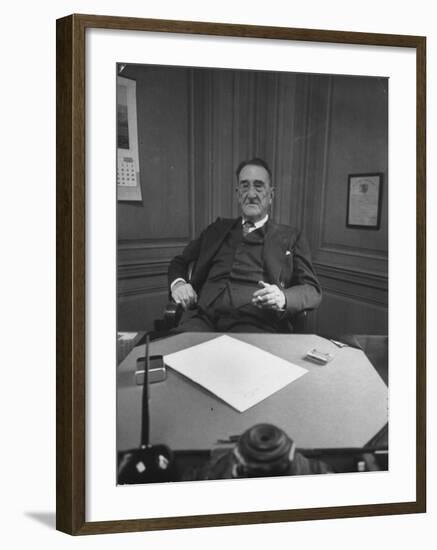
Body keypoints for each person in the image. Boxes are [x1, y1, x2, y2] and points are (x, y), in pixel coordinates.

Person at [168, 158, 321, 332]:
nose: (251, 194)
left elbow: (312, 290)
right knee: (169, 353)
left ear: (270, 195)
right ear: (237, 194)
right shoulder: (216, 229)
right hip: (203, 321)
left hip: (256, 325)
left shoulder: (291, 236)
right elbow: (179, 262)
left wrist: (283, 297)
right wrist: (179, 285)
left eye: (258, 186)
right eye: (245, 186)